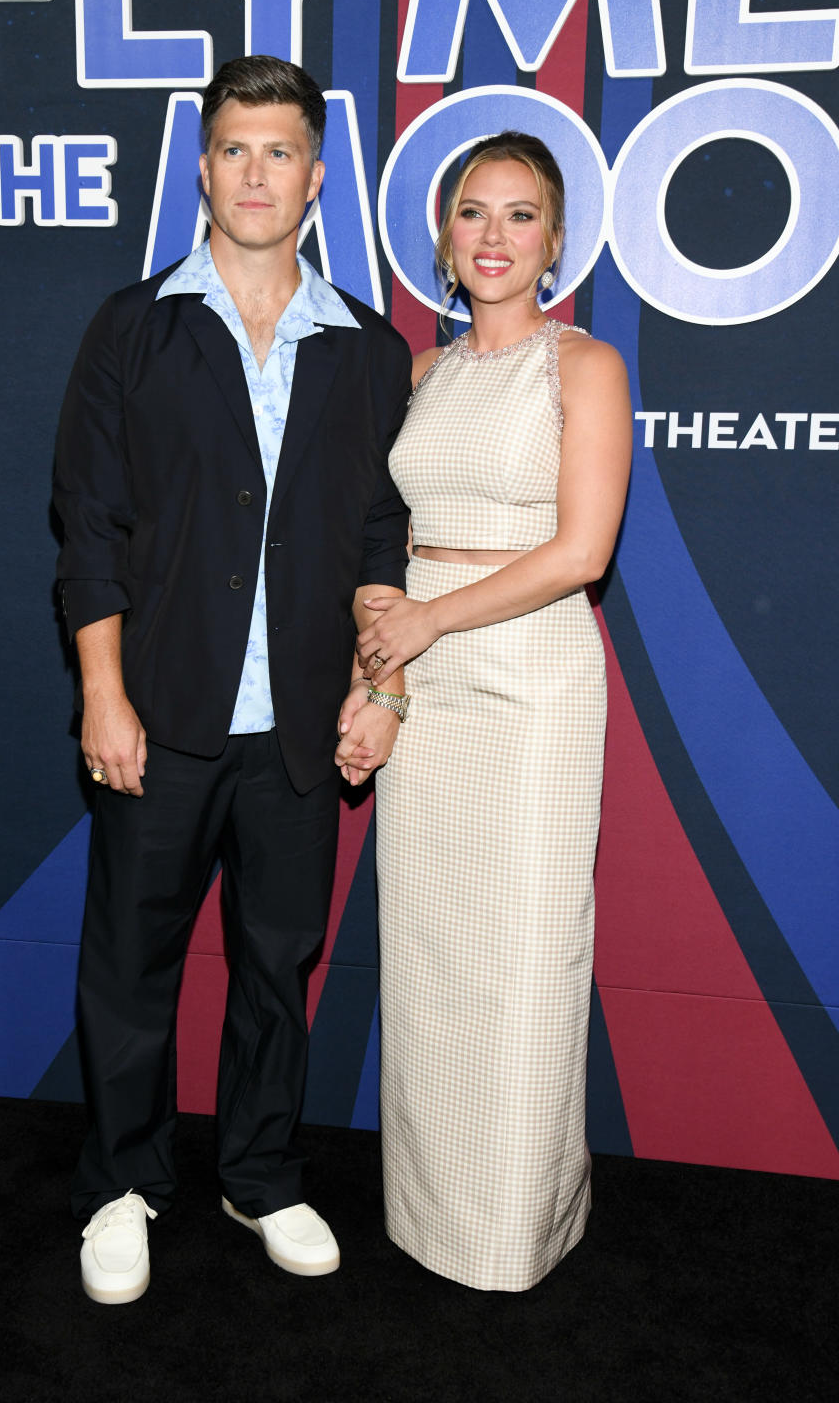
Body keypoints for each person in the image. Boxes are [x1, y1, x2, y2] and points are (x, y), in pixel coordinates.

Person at [53, 54, 411, 1303]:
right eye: (233, 148)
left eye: (280, 151)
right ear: (203, 170)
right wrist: (103, 692)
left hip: (300, 733)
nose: (255, 172)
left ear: (317, 179)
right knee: (133, 965)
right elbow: (89, 526)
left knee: (277, 964)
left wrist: (377, 685)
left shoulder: (369, 349)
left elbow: (380, 539)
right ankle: (121, 1181)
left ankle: (260, 1172)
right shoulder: (133, 326)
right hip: (160, 716)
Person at [351, 132, 632, 1291]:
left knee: (521, 961)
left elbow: (581, 551)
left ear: (557, 242)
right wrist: (381, 675)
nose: (495, 237)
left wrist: (427, 622)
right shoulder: (419, 375)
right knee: (427, 957)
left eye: (522, 217)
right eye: (474, 213)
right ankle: (432, 1215)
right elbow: (381, 548)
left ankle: (511, 1235)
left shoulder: (587, 367)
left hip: (530, 687)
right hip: (427, 680)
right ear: (444, 237)